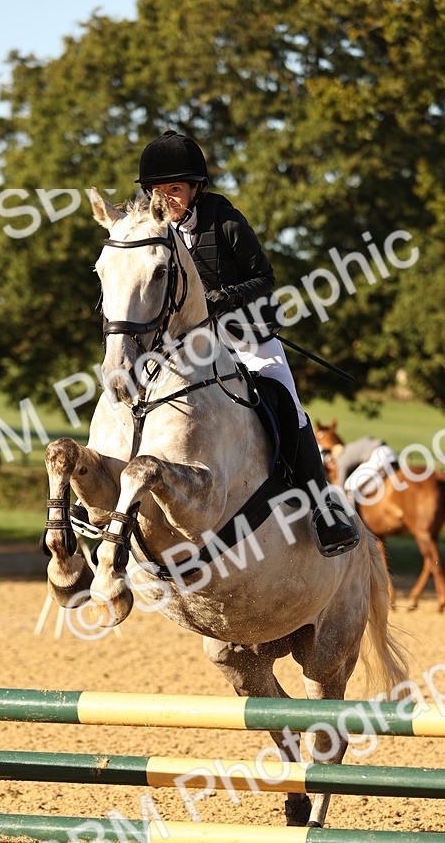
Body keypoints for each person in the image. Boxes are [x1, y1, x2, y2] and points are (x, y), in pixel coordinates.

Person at [134, 130, 359, 558]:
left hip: (249, 334)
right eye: (158, 192)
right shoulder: (155, 232)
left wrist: (228, 296)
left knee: (289, 407)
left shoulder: (226, 222)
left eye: (175, 189)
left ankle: (324, 509)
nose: (166, 200)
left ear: (196, 188)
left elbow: (265, 277)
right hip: (195, 342)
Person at [331, 435, 400, 505]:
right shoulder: (351, 447)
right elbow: (369, 437)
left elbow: (341, 486)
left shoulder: (340, 459)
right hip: (389, 451)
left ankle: (351, 511)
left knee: (349, 485)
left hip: (379, 457)